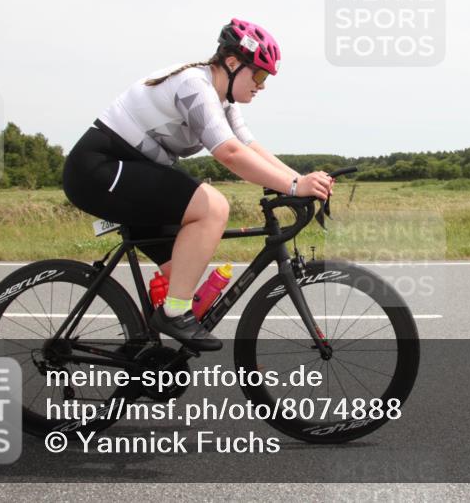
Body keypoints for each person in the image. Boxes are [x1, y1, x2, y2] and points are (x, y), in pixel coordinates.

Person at [62, 19, 333, 351]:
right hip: (99, 169)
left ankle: (142, 352)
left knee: (183, 273)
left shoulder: (222, 101)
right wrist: (294, 187)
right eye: (260, 74)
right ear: (233, 63)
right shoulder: (195, 86)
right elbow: (230, 154)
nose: (262, 85)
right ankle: (173, 315)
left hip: (128, 172)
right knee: (213, 207)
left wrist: (302, 181)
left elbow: (250, 146)